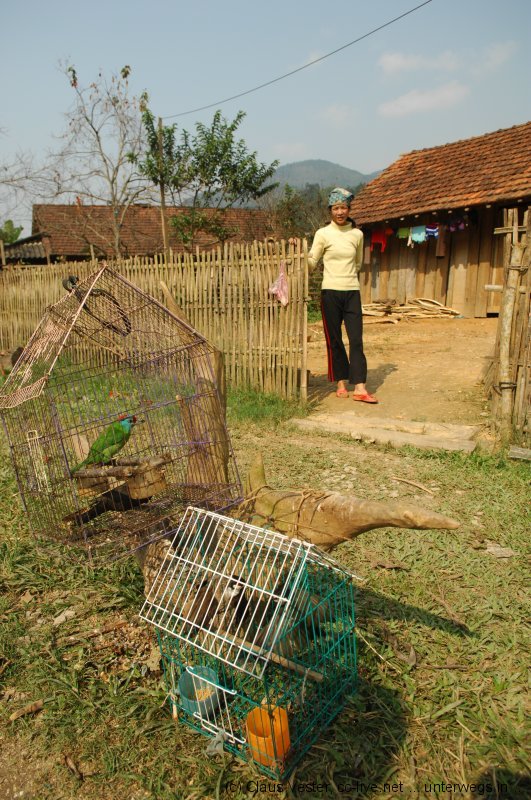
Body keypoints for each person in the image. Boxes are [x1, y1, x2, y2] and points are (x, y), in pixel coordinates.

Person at [308, 187, 378, 403]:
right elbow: (312, 262)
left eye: (344, 208)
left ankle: (359, 386)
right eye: (336, 208)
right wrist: (299, 255)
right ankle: (340, 381)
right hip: (330, 292)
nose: (340, 212)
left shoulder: (357, 234)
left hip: (351, 292)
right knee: (335, 339)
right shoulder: (322, 234)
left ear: (349, 209)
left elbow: (358, 263)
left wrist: (347, 278)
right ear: (330, 210)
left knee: (356, 339)